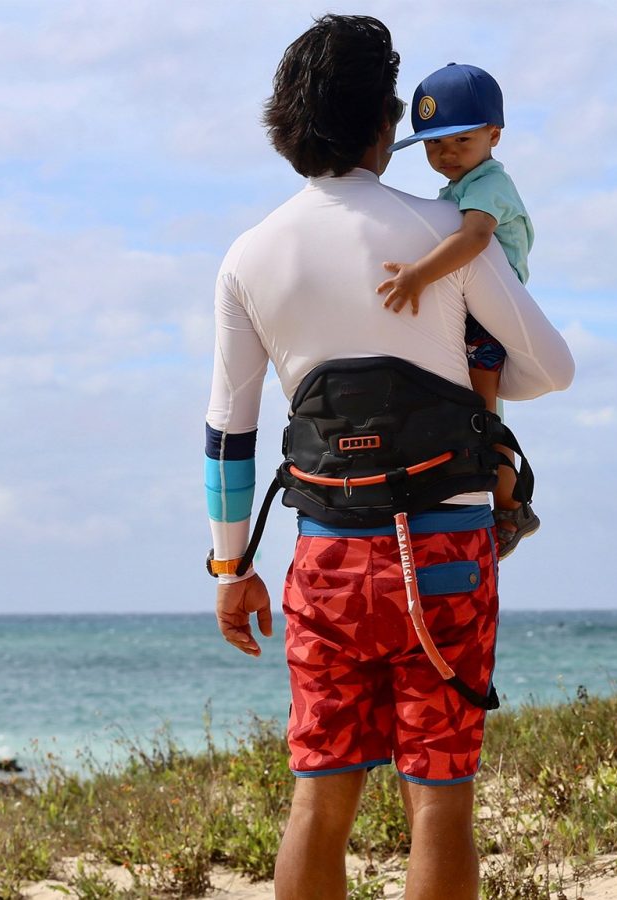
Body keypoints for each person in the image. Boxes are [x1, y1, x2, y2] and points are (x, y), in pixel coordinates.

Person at [203, 15, 574, 900]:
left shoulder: (249, 256)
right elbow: (551, 369)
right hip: (446, 555)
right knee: (440, 805)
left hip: (328, 561)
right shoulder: (444, 227)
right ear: (385, 123)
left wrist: (231, 567)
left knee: (318, 798)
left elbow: (228, 433)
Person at [375, 63, 540, 558]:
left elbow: (475, 237)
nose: (446, 153)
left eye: (461, 140)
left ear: (494, 136)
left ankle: (510, 506)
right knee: (473, 412)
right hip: (473, 315)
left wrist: (419, 275)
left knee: (484, 417)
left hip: (489, 319)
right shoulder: (461, 188)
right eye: (433, 145)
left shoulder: (489, 184)